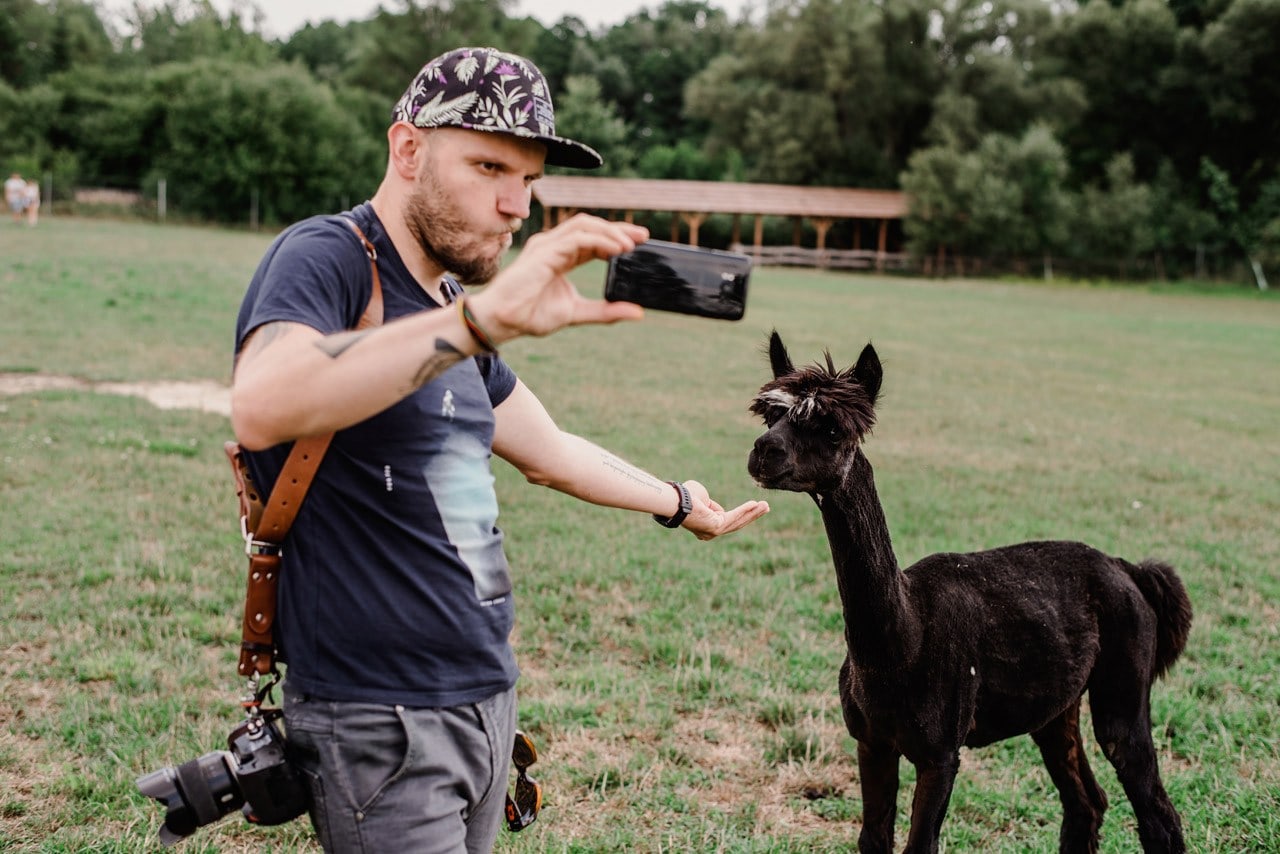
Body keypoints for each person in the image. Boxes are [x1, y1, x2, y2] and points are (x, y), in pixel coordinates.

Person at [230, 46, 769, 853]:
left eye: (529, 180)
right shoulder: (330, 257)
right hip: (380, 715)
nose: (516, 206)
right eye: (489, 168)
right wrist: (478, 323)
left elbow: (549, 451)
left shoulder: (447, 303)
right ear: (408, 149)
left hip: (484, 695)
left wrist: (680, 502)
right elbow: (262, 401)